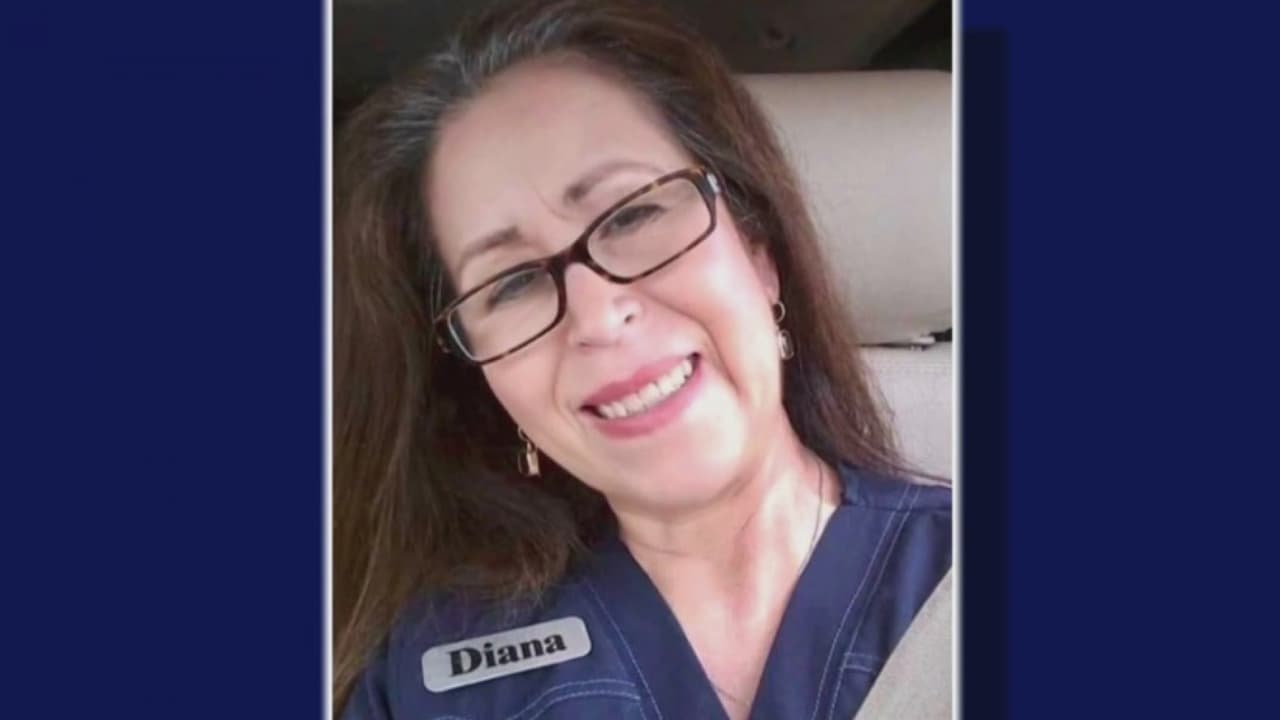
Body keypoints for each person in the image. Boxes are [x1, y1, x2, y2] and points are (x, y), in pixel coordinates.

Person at [334, 1, 952, 718]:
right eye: (512, 284)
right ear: (485, 382)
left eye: (633, 215)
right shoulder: (428, 678)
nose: (598, 317)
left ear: (759, 254)